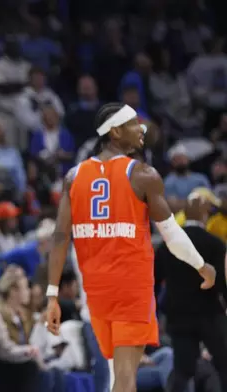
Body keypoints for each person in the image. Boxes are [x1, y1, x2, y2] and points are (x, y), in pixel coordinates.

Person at [44, 103, 216, 392]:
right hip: (130, 285)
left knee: (117, 375)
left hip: (95, 290)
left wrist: (51, 294)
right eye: (135, 124)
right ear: (115, 131)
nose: (143, 130)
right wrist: (202, 265)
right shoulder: (143, 174)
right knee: (125, 375)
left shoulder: (73, 177)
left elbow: (60, 238)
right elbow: (172, 235)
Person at [154, 189, 227, 391]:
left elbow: (155, 280)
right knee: (223, 365)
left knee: (182, 371)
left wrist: (155, 313)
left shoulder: (166, 246)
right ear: (205, 215)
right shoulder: (215, 244)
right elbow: (222, 283)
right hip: (210, 314)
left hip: (179, 316)